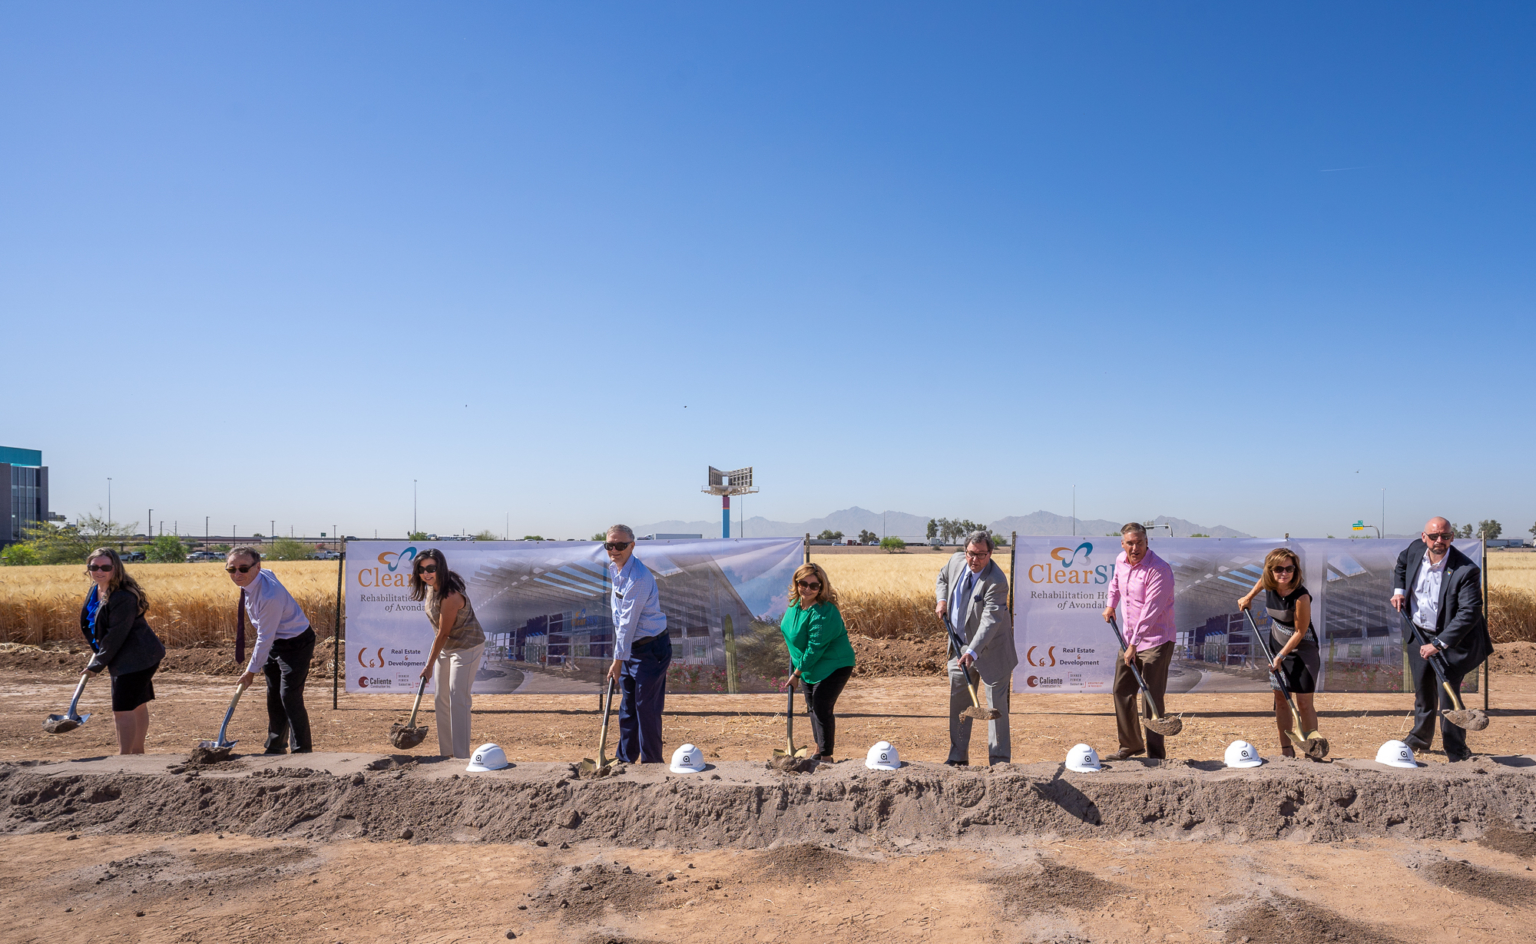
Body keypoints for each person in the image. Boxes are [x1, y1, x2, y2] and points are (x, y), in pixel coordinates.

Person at [1391, 516, 1491, 762]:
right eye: (1434, 536)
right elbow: (1402, 564)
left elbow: (1470, 612)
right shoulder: (1415, 549)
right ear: (1424, 537)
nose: (1439, 541)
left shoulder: (1465, 570)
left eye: (1445, 536)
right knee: (1423, 691)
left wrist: (1438, 644)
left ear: (1452, 538)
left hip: (1448, 639)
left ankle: (1456, 749)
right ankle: (1420, 738)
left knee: (1448, 695)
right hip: (1418, 632)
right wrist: (1399, 591)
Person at [934, 530, 1017, 766]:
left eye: (981, 555)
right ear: (965, 551)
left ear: (990, 553)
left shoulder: (997, 581)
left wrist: (972, 651)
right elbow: (942, 578)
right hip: (959, 647)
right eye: (971, 553)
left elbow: (990, 620)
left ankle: (999, 761)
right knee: (959, 705)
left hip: (992, 652)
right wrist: (942, 600)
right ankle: (958, 757)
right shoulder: (956, 562)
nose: (975, 559)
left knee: (995, 709)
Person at [227, 546, 314, 754]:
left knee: (289, 695)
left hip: (296, 642)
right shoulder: (258, 576)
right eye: (231, 569)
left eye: (243, 568)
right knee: (273, 694)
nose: (237, 574)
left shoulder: (269, 597)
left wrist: (250, 672)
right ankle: (275, 746)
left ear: (257, 567)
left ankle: (303, 750)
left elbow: (264, 637)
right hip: (275, 641)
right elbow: (268, 639)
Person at [1100, 522, 1176, 761]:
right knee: (1122, 690)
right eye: (1130, 543)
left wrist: (1134, 644)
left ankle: (1156, 755)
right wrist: (1111, 604)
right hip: (1129, 639)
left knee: (1151, 695)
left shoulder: (1159, 570)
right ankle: (1131, 745)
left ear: (1147, 543)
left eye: (1139, 543)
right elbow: (1115, 583)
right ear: (1123, 544)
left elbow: (1151, 611)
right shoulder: (1121, 561)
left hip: (1156, 640)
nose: (1134, 548)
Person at [79, 547, 166, 754]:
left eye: (105, 567)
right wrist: (100, 652)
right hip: (123, 655)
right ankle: (137, 753)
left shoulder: (122, 596)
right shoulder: (97, 588)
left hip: (138, 658)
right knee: (136, 703)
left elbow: (117, 634)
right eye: (94, 567)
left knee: (122, 708)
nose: (99, 571)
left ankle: (124, 757)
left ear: (115, 568)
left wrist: (97, 664)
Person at [1237, 548, 1322, 759]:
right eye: (1278, 569)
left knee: (1303, 703)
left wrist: (1281, 656)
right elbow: (1261, 582)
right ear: (1270, 571)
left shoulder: (1301, 596)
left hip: (1302, 651)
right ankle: (1286, 751)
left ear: (1296, 570)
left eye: (1289, 568)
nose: (1284, 573)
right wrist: (1248, 597)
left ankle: (1311, 750)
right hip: (1276, 646)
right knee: (1281, 699)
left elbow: (1300, 631)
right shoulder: (1270, 585)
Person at [409, 548, 487, 759]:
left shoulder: (450, 596)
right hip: (447, 646)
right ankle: (447, 755)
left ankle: (461, 757)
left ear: (440, 568)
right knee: (440, 699)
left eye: (431, 568)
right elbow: (442, 635)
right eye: (421, 569)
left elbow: (443, 633)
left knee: (457, 697)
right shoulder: (431, 587)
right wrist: (432, 662)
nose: (426, 573)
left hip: (467, 646)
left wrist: (428, 666)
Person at [603, 525, 671, 764]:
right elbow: (620, 620)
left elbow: (627, 622)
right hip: (631, 648)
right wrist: (622, 656)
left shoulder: (639, 577)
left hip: (651, 649)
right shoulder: (616, 569)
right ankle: (625, 761)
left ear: (632, 546)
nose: (614, 550)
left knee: (645, 708)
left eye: (620, 545)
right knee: (628, 706)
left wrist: (617, 660)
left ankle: (652, 763)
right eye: (609, 545)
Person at [779, 562, 857, 762]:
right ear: (796, 583)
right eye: (803, 583)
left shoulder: (823, 613)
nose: (807, 589)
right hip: (807, 666)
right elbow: (792, 635)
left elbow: (814, 648)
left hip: (834, 664)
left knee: (821, 707)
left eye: (814, 586)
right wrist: (797, 663)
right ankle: (818, 750)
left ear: (821, 587)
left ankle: (826, 757)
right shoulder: (795, 605)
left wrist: (796, 673)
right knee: (812, 708)